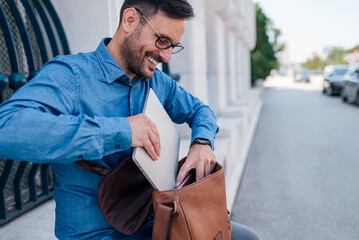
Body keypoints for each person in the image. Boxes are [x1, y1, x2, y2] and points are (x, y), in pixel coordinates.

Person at [0, 0, 260, 239]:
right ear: (130, 20)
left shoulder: (156, 81)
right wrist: (121, 131)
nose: (167, 56)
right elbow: (7, 128)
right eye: (161, 40)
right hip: (93, 233)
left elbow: (200, 110)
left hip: (153, 220)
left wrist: (202, 142)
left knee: (245, 238)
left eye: (173, 46)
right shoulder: (71, 75)